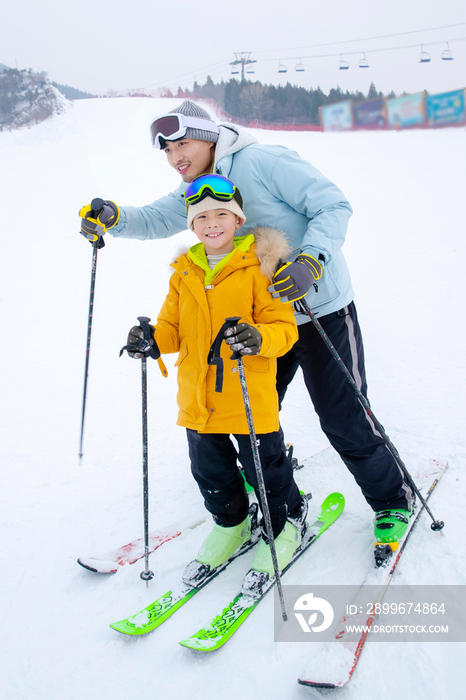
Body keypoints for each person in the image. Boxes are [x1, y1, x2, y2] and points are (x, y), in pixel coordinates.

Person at [80, 100, 414, 549]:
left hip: (318, 310)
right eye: (167, 151)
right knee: (246, 415)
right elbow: (158, 218)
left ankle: (392, 499)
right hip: (252, 327)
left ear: (209, 134)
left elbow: (333, 204)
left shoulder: (263, 161)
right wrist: (114, 218)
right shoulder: (198, 188)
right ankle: (268, 480)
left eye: (182, 143)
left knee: (342, 416)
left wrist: (310, 260)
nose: (175, 157)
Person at [123, 173, 307, 584]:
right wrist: (151, 340)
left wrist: (258, 337)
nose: (212, 223)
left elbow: (285, 330)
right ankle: (231, 523)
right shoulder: (183, 272)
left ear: (238, 221)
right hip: (198, 396)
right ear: (191, 225)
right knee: (210, 469)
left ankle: (285, 523)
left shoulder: (261, 267)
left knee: (264, 466)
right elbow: (173, 327)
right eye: (201, 216)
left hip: (246, 393)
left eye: (222, 214)